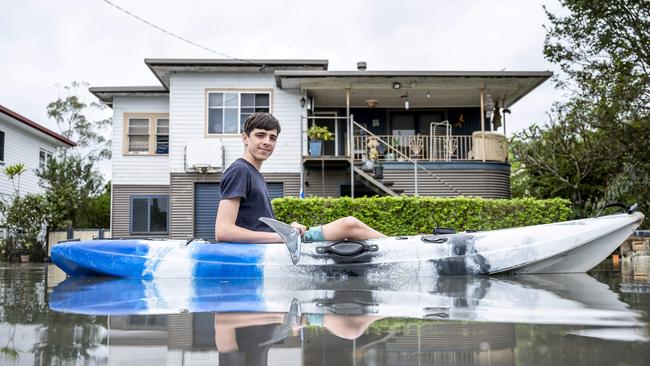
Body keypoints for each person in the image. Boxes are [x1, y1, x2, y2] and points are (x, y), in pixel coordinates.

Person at [215, 112, 385, 244]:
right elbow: (223, 231)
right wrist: (282, 237)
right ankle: (401, 247)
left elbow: (256, 224)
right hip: (268, 250)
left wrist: (288, 229)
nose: (267, 142)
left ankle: (398, 245)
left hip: (277, 245)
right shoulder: (240, 171)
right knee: (349, 225)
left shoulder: (254, 174)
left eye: (272, 137)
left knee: (350, 225)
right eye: (260, 135)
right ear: (245, 138)